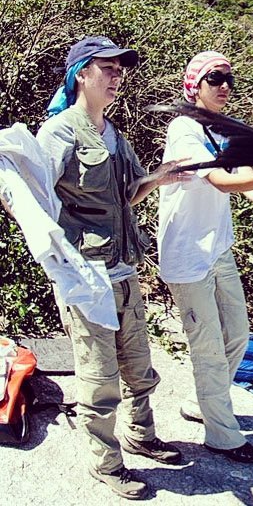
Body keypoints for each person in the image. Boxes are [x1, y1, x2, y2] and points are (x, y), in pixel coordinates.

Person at [36, 36, 186, 500]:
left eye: (122, 69)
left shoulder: (114, 134)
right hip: (87, 279)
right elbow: (33, 199)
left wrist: (156, 179)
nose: (118, 76)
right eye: (109, 68)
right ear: (82, 72)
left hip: (123, 271)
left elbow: (127, 194)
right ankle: (107, 462)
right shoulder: (59, 133)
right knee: (99, 377)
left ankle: (141, 436)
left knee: (139, 368)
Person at [157, 51, 253, 464]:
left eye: (229, 79)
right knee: (209, 347)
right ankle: (222, 434)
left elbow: (240, 174)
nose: (224, 86)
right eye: (215, 78)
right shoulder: (184, 129)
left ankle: (203, 404)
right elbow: (218, 180)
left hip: (217, 250)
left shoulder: (223, 130)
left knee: (237, 334)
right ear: (194, 84)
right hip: (187, 256)